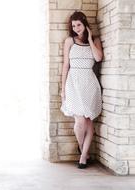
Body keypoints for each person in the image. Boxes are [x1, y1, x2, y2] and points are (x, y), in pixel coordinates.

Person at [60, 11, 103, 169]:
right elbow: (66, 65)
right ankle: (82, 147)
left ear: (85, 24)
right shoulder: (69, 41)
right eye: (73, 26)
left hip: (89, 83)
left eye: (79, 24)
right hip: (73, 82)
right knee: (79, 121)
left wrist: (90, 39)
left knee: (88, 120)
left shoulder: (95, 40)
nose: (76, 28)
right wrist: (62, 88)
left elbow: (98, 58)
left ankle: (83, 156)